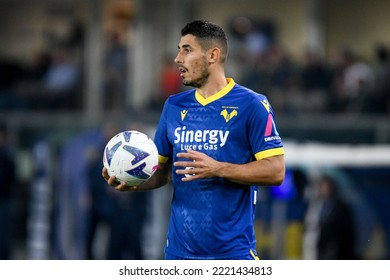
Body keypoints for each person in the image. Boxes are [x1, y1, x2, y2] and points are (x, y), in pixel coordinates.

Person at [102, 20, 285, 260]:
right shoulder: (174, 106)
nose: (178, 59)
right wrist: (133, 181)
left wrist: (218, 169)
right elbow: (164, 172)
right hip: (179, 255)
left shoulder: (252, 105)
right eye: (179, 50)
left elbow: (276, 171)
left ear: (213, 55)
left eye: (187, 50)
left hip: (233, 256)